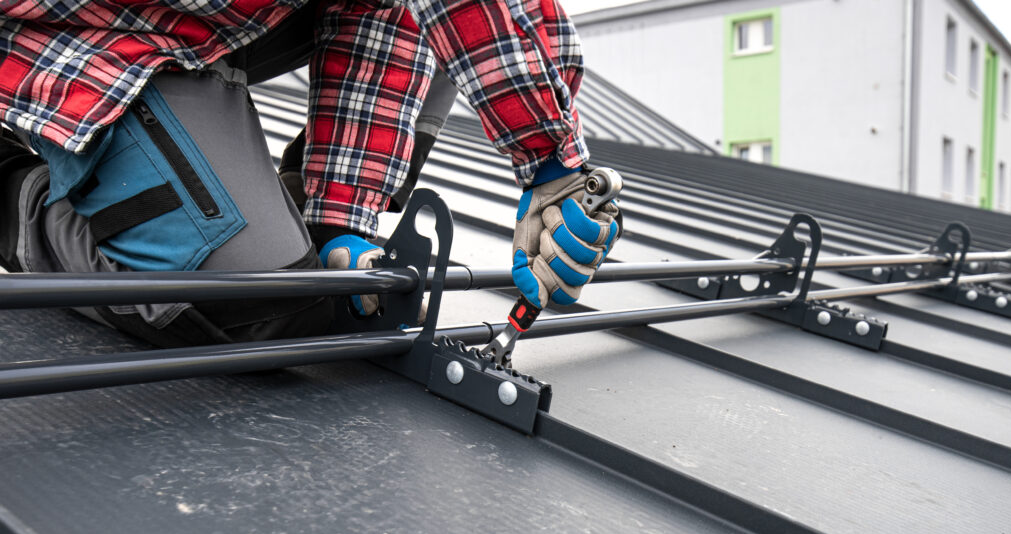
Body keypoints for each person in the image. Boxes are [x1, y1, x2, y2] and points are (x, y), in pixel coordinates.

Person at [0, 0, 622, 347]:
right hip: (61, 28)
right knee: (248, 306)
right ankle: (12, 192)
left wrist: (338, 223)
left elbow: (517, 17)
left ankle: (309, 219)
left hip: (188, 22)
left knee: (434, 29)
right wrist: (545, 157)